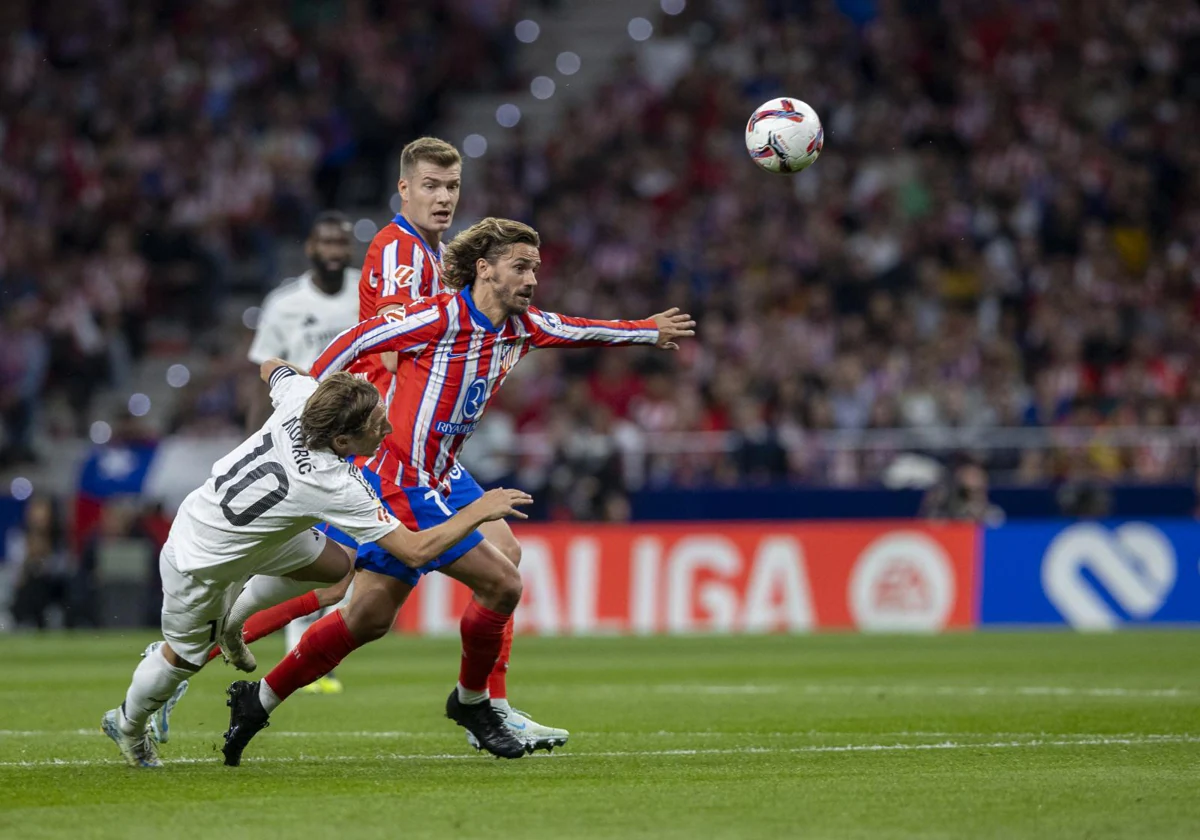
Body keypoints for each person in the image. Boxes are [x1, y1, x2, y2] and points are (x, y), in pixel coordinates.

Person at [221, 217, 695, 764]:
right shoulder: (440, 317)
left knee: (367, 618)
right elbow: (359, 338)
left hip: (429, 479)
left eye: (535, 268)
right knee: (502, 584)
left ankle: (256, 701)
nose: (532, 279)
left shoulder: (523, 326)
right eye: (520, 267)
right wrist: (310, 408)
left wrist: (646, 330)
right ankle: (473, 703)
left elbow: (582, 328)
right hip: (401, 483)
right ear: (484, 269)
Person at [221, 138, 550, 747]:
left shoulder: (433, 253)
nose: (445, 197)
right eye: (431, 185)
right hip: (381, 448)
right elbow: (395, 343)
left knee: (372, 605)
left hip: (422, 449)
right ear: (404, 189)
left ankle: (254, 692)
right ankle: (184, 656)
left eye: (452, 187)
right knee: (348, 583)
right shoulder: (400, 252)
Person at [100, 359, 531, 768]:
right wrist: (478, 510)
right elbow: (415, 551)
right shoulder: (333, 483)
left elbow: (271, 365)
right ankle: (127, 724)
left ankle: (234, 622)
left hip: (251, 531)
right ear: (342, 443)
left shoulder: (301, 396)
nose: (388, 428)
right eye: (377, 425)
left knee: (334, 567)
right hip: (202, 562)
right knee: (183, 659)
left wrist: (311, 385)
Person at [245, 210, 361, 695]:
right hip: (300, 437)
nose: (334, 250)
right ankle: (299, 642)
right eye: (325, 242)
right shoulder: (285, 304)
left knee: (342, 545)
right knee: (303, 538)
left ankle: (315, 645)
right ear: (310, 248)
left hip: (359, 432)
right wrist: (254, 439)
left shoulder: (367, 292)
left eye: (341, 242)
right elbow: (261, 374)